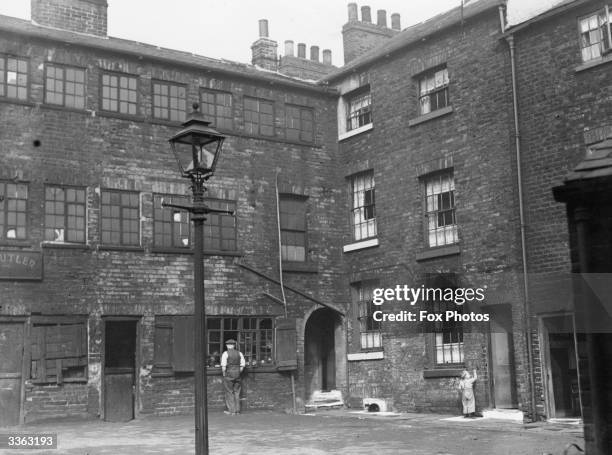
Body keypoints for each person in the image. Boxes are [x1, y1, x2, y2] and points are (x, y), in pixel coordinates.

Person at [221, 339, 245, 415]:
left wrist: (224, 374)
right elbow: (242, 366)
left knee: (229, 392)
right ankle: (237, 411)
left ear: (227, 345)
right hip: (237, 374)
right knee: (237, 392)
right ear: (234, 345)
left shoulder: (225, 353)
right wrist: (237, 372)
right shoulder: (240, 353)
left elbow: (224, 366)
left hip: (229, 374)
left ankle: (232, 411)